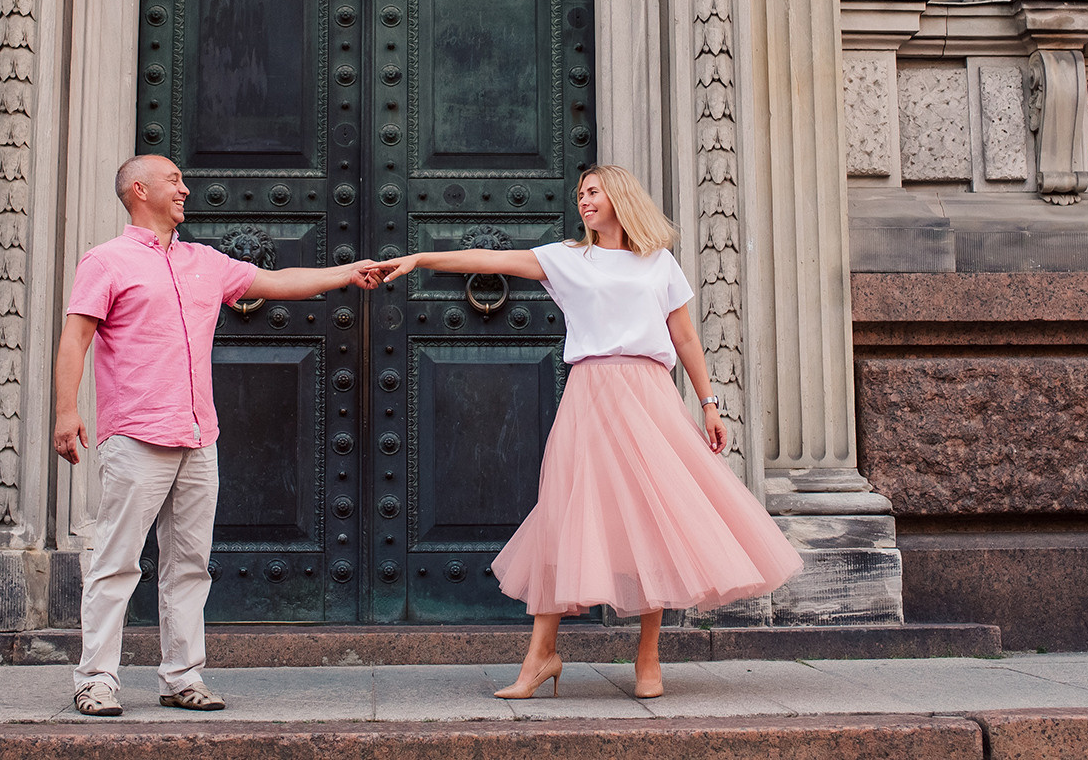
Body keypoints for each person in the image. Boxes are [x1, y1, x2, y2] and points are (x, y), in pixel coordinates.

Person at [368, 164, 801, 700]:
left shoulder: (658, 263)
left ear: (619, 197)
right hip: (590, 394)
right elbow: (491, 259)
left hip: (649, 395)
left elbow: (685, 338)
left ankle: (648, 656)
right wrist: (422, 258)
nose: (584, 201)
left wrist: (711, 404)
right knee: (564, 513)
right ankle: (540, 656)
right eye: (580, 194)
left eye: (592, 192)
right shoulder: (570, 259)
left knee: (652, 516)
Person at [53, 154, 382, 717]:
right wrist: (65, 411)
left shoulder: (204, 261)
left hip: (199, 437)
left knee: (189, 564)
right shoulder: (105, 261)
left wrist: (346, 275)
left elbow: (276, 282)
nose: (186, 189)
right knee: (117, 561)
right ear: (139, 190)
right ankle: (96, 680)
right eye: (174, 181)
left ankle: (182, 676)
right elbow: (76, 337)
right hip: (135, 434)